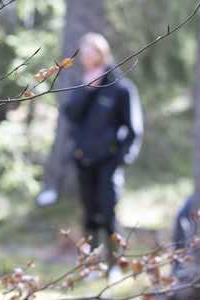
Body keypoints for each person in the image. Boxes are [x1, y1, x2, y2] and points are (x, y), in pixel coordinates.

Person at [65, 33, 143, 265]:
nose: (87, 55)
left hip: (108, 161)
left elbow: (133, 128)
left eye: (92, 50)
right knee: (89, 216)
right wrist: (87, 89)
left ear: (103, 53)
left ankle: (115, 264)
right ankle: (90, 265)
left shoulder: (120, 88)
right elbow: (70, 114)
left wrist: (120, 158)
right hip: (83, 160)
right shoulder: (83, 85)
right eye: (84, 51)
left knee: (108, 214)